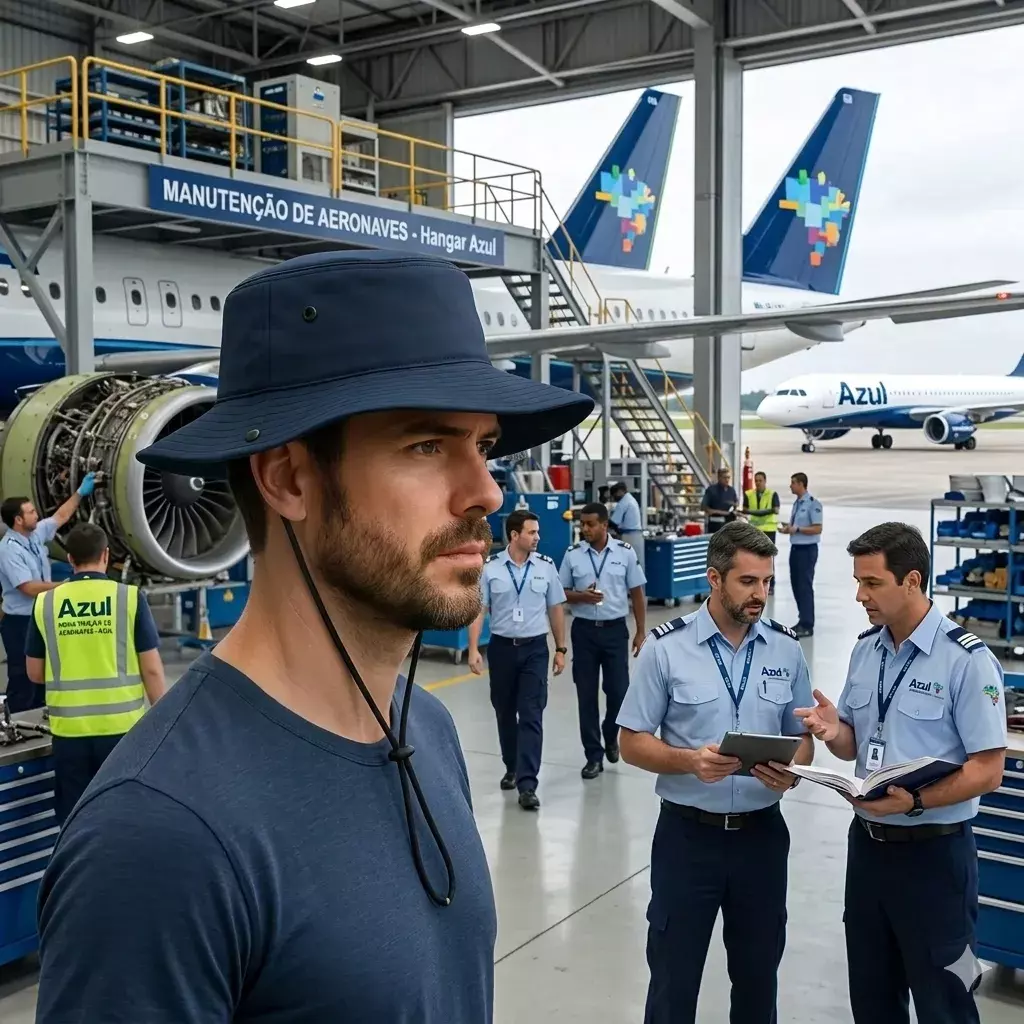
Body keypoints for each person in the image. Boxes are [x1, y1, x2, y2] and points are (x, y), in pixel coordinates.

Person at [33, 249, 594, 1023]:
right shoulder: (159, 837)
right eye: (426, 446)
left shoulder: (421, 727)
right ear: (288, 480)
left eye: (484, 446)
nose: (485, 492)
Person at [796, 522, 1007, 1024]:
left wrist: (913, 802)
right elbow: (855, 747)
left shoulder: (966, 661)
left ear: (912, 580)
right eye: (856, 582)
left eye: (871, 583)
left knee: (946, 1003)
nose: (859, 596)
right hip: (868, 852)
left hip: (935, 859)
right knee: (872, 996)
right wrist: (832, 730)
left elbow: (988, 770)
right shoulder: (866, 650)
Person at [617, 520, 815, 1024]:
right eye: (748, 582)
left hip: (762, 841)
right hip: (688, 840)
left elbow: (806, 742)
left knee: (756, 980)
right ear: (714, 577)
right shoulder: (666, 648)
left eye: (767, 582)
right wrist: (690, 761)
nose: (760, 595)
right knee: (673, 980)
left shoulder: (785, 648)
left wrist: (792, 772)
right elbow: (630, 742)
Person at [24, 522, 166, 824]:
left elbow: (34, 673)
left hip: (69, 734)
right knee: (123, 817)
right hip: (122, 733)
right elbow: (151, 669)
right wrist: (165, 719)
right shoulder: (128, 598)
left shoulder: (45, 603)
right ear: (106, 555)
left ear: (70, 560)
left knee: (75, 820)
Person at [467, 509, 567, 810]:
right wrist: (474, 649)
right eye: (531, 532)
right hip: (502, 648)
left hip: (535, 648)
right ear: (514, 535)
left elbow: (556, 608)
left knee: (531, 714)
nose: (537, 537)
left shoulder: (546, 566)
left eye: (537, 532)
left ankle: (527, 784)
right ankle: (511, 765)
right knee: (504, 711)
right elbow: (478, 610)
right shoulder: (491, 568)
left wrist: (561, 648)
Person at [559, 502, 646, 779]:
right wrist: (581, 597)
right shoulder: (572, 555)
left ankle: (611, 735)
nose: (584, 529)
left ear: (604, 525)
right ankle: (593, 756)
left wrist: (641, 631)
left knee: (619, 693)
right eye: (582, 524)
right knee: (586, 696)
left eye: (590, 524)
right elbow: (560, 592)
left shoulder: (624, 553)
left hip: (615, 631)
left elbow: (637, 592)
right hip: (584, 632)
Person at [0, 477, 96, 713]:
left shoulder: (34, 535)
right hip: (20, 622)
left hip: (40, 616)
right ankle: (17, 726)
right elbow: (28, 588)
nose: (36, 515)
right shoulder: (9, 549)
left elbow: (61, 516)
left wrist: (81, 492)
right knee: (23, 677)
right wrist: (64, 585)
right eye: (31, 512)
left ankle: (40, 721)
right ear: (18, 520)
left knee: (44, 672)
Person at [778, 471, 821, 636]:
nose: (790, 485)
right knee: (796, 584)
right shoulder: (797, 504)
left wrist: (797, 529)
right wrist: (788, 528)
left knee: (805, 585)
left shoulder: (813, 504)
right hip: (795, 548)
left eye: (793, 482)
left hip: (807, 550)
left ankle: (808, 624)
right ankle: (802, 619)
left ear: (801, 484)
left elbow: (818, 528)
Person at [743, 470, 779, 595]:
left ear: (765, 481)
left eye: (760, 481)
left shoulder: (772, 494)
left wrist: (754, 513)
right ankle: (754, 584)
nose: (758, 483)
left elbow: (775, 510)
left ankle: (771, 585)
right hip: (754, 530)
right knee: (753, 558)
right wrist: (765, 511)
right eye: (756, 481)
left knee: (768, 559)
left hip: (769, 530)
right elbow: (745, 509)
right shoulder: (749, 494)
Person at [609, 481, 645, 569]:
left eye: (614, 495)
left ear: (620, 491)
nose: (614, 498)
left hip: (629, 537)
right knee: (636, 565)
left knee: (627, 565)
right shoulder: (631, 499)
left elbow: (614, 522)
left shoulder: (623, 502)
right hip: (637, 536)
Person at [700, 467, 738, 534]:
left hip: (728, 524)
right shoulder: (711, 490)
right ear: (719, 478)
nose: (727, 480)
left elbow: (735, 504)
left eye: (728, 477)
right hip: (715, 524)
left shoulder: (731, 490)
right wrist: (717, 511)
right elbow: (704, 507)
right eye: (725, 477)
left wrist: (734, 508)